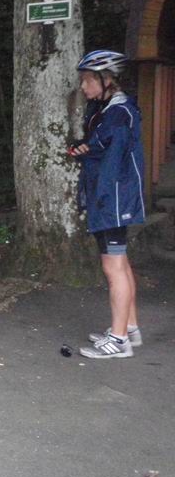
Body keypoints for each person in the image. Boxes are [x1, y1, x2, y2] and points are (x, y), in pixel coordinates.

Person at [71, 50, 145, 359]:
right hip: (111, 196)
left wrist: (87, 153)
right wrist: (84, 148)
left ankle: (118, 340)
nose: (84, 87)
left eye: (88, 80)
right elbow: (100, 146)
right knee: (120, 264)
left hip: (113, 198)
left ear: (106, 80)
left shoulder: (118, 113)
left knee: (112, 266)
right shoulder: (109, 109)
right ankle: (129, 329)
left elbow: (111, 159)